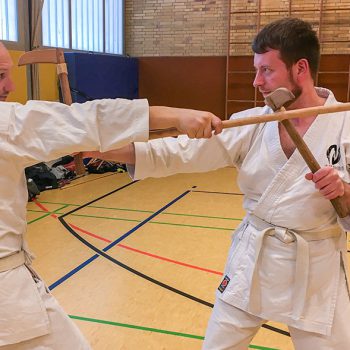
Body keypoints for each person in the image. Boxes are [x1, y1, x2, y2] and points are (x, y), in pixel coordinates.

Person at [88, 18, 350, 349]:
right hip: (253, 260)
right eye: (256, 70)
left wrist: (342, 189)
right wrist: (91, 145)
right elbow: (177, 152)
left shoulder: (344, 126)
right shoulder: (252, 125)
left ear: (300, 68)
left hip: (316, 269)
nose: (257, 81)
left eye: (266, 70)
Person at [0, 41, 223, 349]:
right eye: (0, 75)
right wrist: (176, 116)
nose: (10, 86)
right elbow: (89, 119)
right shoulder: (4, 124)